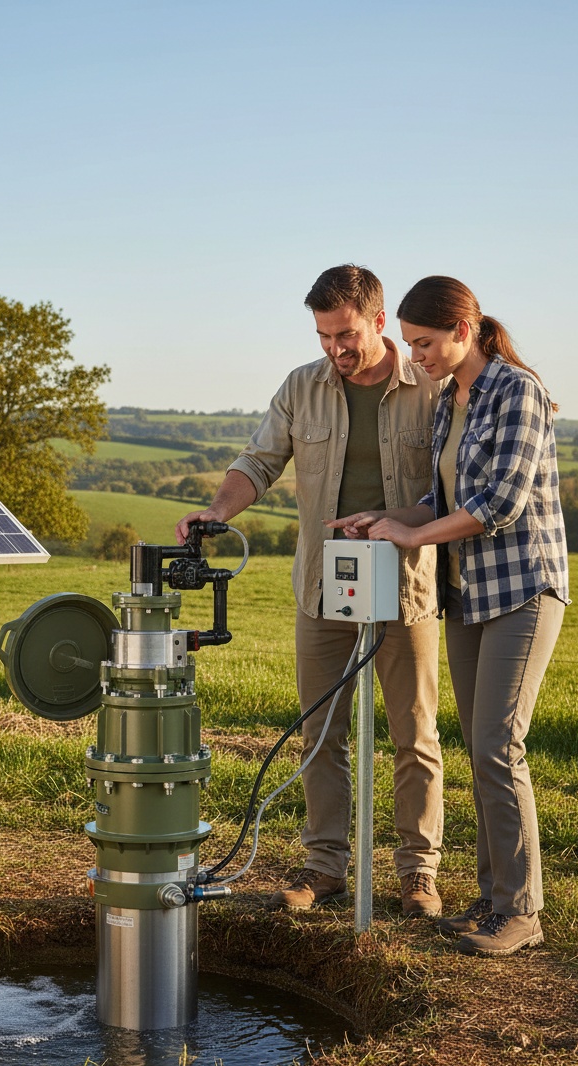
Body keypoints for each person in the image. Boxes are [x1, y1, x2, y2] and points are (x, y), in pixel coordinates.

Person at [176, 264, 446, 916]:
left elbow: (457, 482)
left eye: (346, 334)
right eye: (325, 336)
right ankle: (325, 867)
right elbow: (258, 462)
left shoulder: (430, 390)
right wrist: (218, 511)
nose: (336, 349)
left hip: (405, 588)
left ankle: (418, 876)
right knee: (319, 734)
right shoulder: (303, 387)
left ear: (380, 322)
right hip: (322, 587)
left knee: (414, 735)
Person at [339, 275, 569, 956]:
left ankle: (521, 911)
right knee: (479, 748)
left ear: (464, 330)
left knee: (500, 746)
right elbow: (439, 501)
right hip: (469, 593)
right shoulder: (449, 401)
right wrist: (385, 519)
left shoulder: (516, 391)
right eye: (410, 345)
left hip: (523, 589)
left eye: (426, 343)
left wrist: (411, 538)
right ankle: (495, 901)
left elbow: (499, 504)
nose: (417, 357)